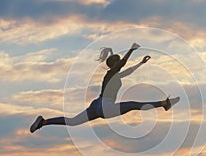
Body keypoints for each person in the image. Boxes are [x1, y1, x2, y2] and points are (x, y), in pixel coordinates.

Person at [30, 43, 180, 133]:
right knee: (133, 105)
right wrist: (131, 50)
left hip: (97, 105)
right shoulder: (112, 72)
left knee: (73, 121)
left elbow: (126, 70)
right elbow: (121, 66)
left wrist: (141, 63)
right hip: (105, 106)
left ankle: (43, 122)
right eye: (119, 62)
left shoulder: (113, 75)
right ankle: (164, 104)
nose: (121, 64)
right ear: (115, 64)